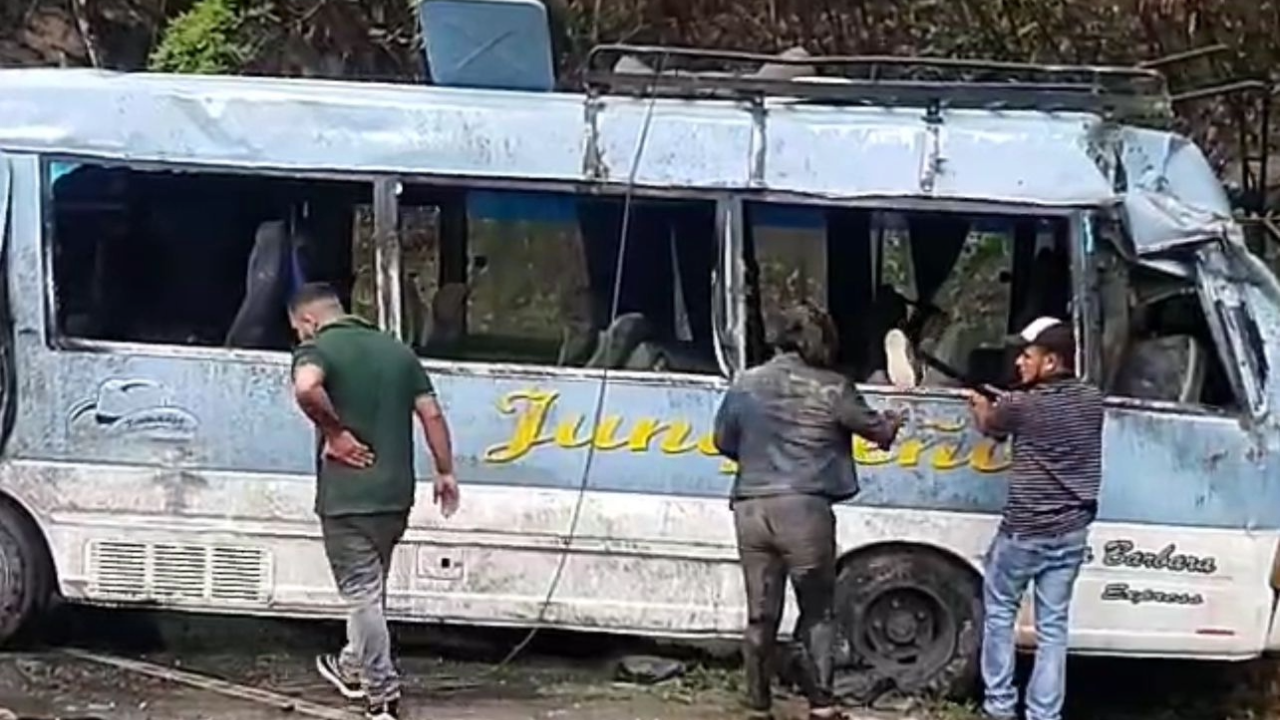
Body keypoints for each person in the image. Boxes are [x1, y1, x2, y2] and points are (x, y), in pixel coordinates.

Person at [713, 303, 903, 720]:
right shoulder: (834, 387)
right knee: (818, 611)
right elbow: (877, 431)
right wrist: (893, 420)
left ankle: (757, 703)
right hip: (804, 510)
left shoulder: (745, 383)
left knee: (761, 613)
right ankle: (821, 704)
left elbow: (722, 440)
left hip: (751, 507)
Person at [289, 282, 460, 720]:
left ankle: (381, 696)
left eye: (298, 330)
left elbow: (307, 389)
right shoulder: (398, 352)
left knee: (362, 595)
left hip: (347, 497)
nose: (300, 338)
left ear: (308, 320)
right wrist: (444, 471)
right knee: (371, 592)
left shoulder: (317, 349)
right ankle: (350, 665)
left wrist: (335, 433)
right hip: (394, 496)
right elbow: (432, 414)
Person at [963, 316, 1103, 720]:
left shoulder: (1020, 404)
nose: (1019, 363)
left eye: (1027, 356)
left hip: (1023, 533)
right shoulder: (1092, 399)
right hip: (1072, 531)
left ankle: (1000, 707)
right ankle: (1044, 715)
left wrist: (979, 405)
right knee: (1053, 629)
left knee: (1000, 616)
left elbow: (992, 427)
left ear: (1052, 361)